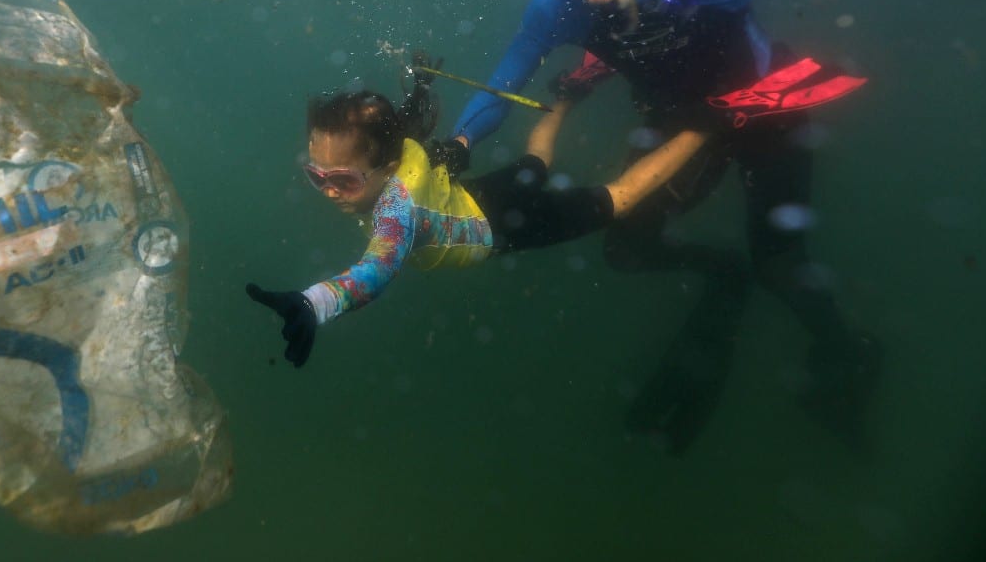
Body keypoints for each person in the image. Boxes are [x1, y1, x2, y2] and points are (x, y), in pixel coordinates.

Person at [440, 0, 986, 452]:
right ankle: (724, 274)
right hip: (678, 124)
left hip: (764, 113)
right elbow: (504, 81)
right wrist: (458, 143)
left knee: (780, 265)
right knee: (627, 249)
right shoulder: (558, 1)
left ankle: (848, 351)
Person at [246, 87, 708, 369]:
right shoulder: (397, 148)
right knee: (536, 165)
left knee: (619, 199)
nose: (327, 190)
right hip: (473, 197)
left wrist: (316, 303)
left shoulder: (397, 209)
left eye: (342, 180)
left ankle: (707, 126)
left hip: (501, 228)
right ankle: (568, 93)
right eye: (316, 175)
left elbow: (377, 267)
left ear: (387, 168)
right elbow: (407, 136)